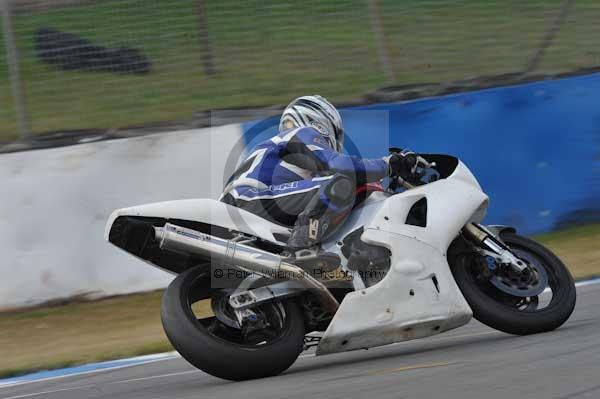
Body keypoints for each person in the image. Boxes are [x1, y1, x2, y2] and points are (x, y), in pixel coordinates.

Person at [220, 95, 418, 269]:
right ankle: (299, 249)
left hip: (244, 205)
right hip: (248, 200)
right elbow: (340, 165)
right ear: (321, 123)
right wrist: (388, 164)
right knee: (341, 182)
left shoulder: (285, 150)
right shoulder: (303, 133)